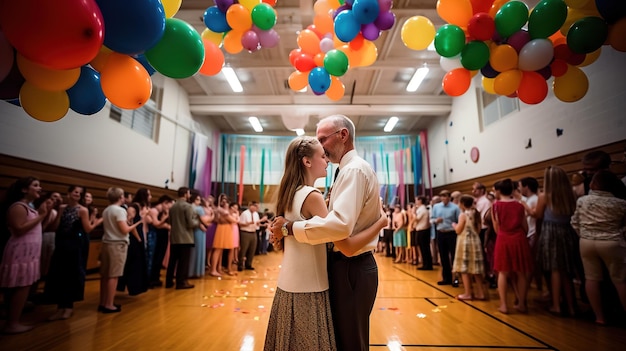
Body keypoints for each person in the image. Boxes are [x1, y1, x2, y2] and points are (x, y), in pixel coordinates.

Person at [270, 115, 383, 351]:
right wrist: (380, 223)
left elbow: (340, 228)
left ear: (343, 135)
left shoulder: (352, 171)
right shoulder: (344, 173)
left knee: (350, 340)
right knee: (346, 339)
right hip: (342, 265)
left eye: (323, 139)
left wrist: (289, 228)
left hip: (352, 265)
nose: (321, 146)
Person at [571, 170, 626, 325]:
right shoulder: (621, 203)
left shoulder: (582, 201)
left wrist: (584, 233)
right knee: (620, 280)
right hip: (611, 242)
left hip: (586, 242)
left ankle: (599, 317)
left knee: (591, 278)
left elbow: (574, 222)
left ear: (593, 184)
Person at [0, 177, 52, 334]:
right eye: (35, 185)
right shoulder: (18, 207)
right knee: (20, 286)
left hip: (28, 253)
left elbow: (36, 227)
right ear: (24, 189)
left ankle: (12, 319)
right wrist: (42, 215)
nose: (40, 188)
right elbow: (19, 229)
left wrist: (44, 214)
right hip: (19, 253)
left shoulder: (30, 207)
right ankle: (12, 322)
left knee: (22, 286)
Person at [45, 185, 102, 321]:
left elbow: (87, 229)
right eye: (75, 191)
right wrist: (59, 213)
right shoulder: (62, 208)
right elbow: (54, 227)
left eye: (80, 193)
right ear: (69, 193)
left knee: (71, 275)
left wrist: (97, 220)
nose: (77, 194)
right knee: (59, 275)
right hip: (61, 244)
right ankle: (60, 307)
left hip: (75, 245)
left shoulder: (82, 210)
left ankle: (68, 307)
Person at [492, 179, 533, 314]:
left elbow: (496, 227)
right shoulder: (520, 205)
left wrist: (504, 233)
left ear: (498, 191)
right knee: (521, 272)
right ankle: (522, 303)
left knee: (503, 272)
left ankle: (504, 305)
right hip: (519, 239)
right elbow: (525, 227)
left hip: (503, 238)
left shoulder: (496, 206)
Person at [99, 187, 142, 313]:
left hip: (107, 242)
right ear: (120, 197)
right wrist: (136, 224)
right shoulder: (119, 210)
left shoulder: (107, 210)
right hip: (117, 244)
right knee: (114, 275)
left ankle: (103, 302)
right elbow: (124, 230)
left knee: (105, 275)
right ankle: (109, 304)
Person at [452, 194, 486, 301]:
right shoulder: (476, 213)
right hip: (475, 241)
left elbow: (458, 230)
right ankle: (481, 293)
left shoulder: (463, 215)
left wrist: (454, 225)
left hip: (465, 242)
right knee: (476, 269)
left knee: (465, 268)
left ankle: (468, 293)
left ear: (462, 204)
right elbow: (479, 229)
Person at [165, 187, 199, 289]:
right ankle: (181, 282)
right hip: (185, 237)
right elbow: (190, 223)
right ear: (185, 194)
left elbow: (170, 221)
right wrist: (198, 221)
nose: (189, 195)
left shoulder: (173, 206)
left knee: (172, 260)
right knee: (183, 261)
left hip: (174, 236)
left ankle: (169, 281)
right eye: (188, 193)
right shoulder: (187, 206)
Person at [431, 190, 461, 287]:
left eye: (446, 196)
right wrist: (436, 220)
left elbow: (458, 220)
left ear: (449, 197)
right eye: (442, 196)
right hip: (441, 233)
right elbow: (431, 219)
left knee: (453, 256)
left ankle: (455, 278)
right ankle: (446, 278)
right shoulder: (436, 207)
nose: (444, 198)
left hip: (451, 233)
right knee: (443, 257)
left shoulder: (455, 207)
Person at [238, 201, 260, 271]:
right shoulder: (245, 213)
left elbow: (257, 224)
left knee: (252, 249)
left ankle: (249, 264)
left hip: (253, 232)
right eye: (254, 206)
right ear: (250, 206)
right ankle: (240, 265)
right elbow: (240, 224)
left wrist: (260, 224)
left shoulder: (256, 214)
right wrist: (248, 223)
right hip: (245, 232)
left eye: (256, 207)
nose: (255, 208)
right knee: (243, 249)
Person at [414, 196, 432, 270]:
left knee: (425, 248)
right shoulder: (420, 209)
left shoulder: (423, 209)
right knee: (423, 248)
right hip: (421, 230)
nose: (415, 201)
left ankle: (427, 265)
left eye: (416, 200)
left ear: (420, 200)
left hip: (423, 231)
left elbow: (417, 219)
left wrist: (413, 212)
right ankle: (425, 264)